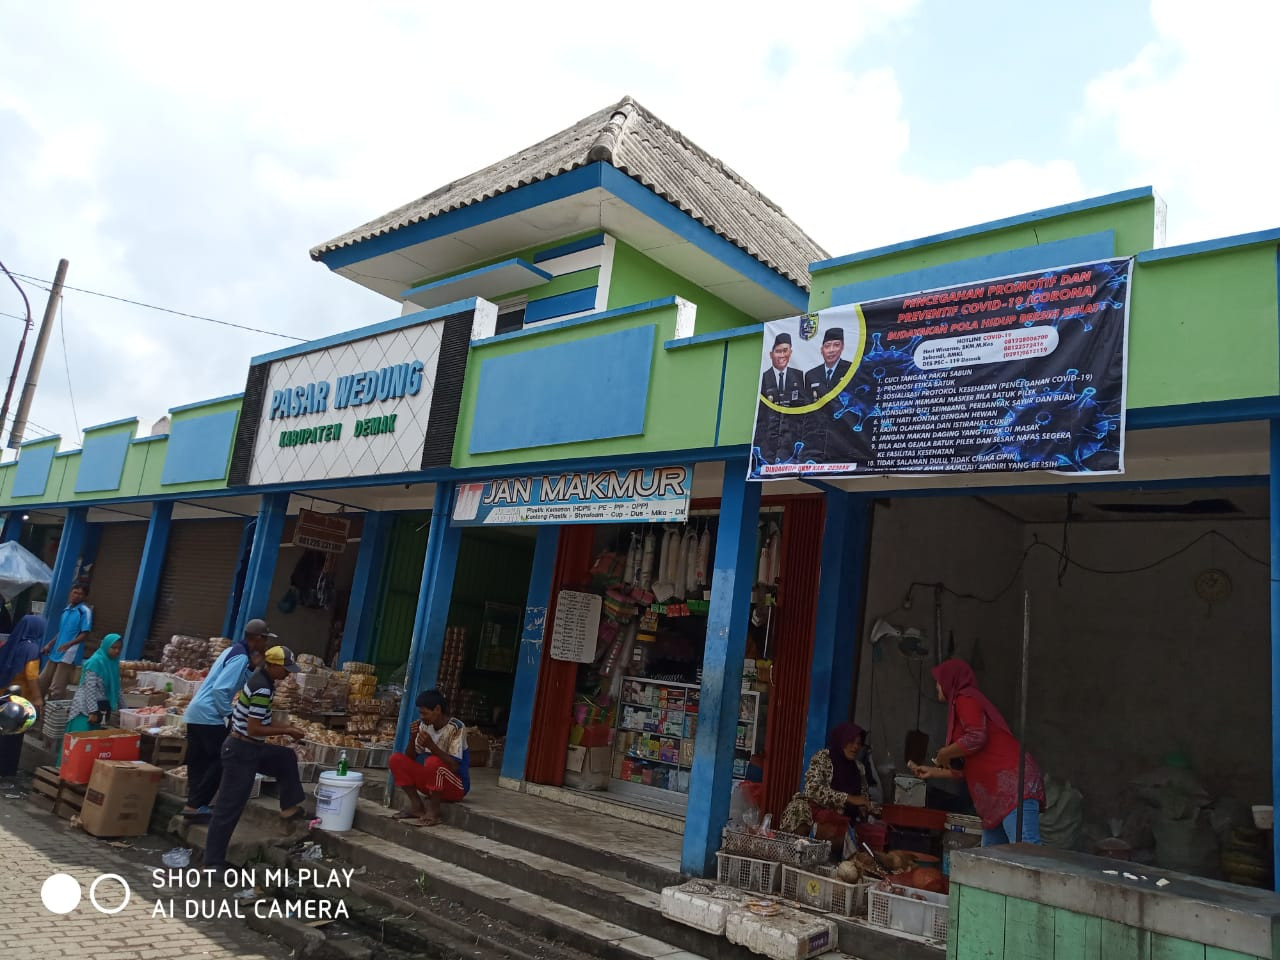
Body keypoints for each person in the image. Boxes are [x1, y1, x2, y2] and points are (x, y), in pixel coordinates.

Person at [909, 659, 1045, 846]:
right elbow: (973, 769)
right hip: (996, 793)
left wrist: (944, 754)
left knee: (1025, 853)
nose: (936, 686)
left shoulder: (965, 698)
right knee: (989, 860)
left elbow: (976, 736)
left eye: (939, 680)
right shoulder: (960, 705)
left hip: (1013, 785)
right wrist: (934, 772)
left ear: (951, 680)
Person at [203, 645, 309, 870]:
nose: (288, 673)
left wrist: (285, 727)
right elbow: (255, 729)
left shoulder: (262, 680)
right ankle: (213, 864)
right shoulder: (261, 688)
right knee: (228, 809)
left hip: (248, 748)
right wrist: (287, 730)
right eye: (285, 669)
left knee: (285, 757)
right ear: (272, 666)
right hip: (242, 750)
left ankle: (289, 805)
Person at [181, 618, 276, 819]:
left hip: (197, 712)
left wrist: (252, 668)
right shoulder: (240, 657)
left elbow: (236, 682)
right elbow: (220, 690)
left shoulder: (234, 652)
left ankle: (193, 805)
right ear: (258, 638)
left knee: (199, 761)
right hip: (209, 714)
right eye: (265, 639)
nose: (266, 644)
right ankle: (197, 803)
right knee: (221, 759)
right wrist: (230, 715)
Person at [780, 723, 880, 838]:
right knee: (799, 809)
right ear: (841, 740)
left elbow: (862, 798)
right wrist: (848, 798)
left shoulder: (859, 768)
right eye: (851, 742)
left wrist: (867, 808)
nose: (855, 747)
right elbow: (812, 790)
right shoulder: (823, 758)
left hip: (842, 823)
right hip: (815, 818)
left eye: (859, 743)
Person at [387, 688, 469, 826]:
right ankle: (416, 806)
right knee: (396, 759)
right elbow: (410, 758)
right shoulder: (425, 726)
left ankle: (434, 810)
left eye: (424, 713)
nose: (422, 717)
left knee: (433, 761)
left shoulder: (457, 727)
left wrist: (432, 746)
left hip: (456, 786)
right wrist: (413, 738)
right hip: (431, 784)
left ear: (437, 709)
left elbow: (455, 765)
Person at [59, 633, 122, 765]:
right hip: (84, 709)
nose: (116, 651)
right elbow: (89, 688)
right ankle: (65, 770)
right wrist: (93, 712)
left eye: (119, 648)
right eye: (113, 648)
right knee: (77, 743)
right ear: (105, 647)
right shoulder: (95, 662)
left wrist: (126, 710)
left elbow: (117, 689)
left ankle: (79, 773)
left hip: (100, 709)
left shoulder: (113, 664)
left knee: (89, 747)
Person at [0, 614, 45, 780]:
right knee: (13, 737)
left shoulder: (11, 643)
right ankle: (6, 772)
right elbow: (31, 676)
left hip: (3, 694)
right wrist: (38, 698)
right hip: (19, 699)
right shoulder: (31, 648)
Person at [40, 582, 93, 701]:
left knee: (56, 688)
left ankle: (52, 715)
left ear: (85, 597)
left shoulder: (84, 611)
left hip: (68, 654)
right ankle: (36, 710)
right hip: (56, 651)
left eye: (81, 594)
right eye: (75, 592)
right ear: (70, 593)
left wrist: (69, 644)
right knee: (41, 681)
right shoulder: (66, 610)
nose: (77, 596)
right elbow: (62, 631)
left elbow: (85, 633)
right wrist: (50, 644)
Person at [804, 328, 853, 402]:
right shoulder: (811, 374)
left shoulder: (852, 369)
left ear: (842, 347)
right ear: (821, 350)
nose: (831, 350)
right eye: (827, 346)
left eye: (836, 345)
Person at [759, 332, 804, 405]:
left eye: (785, 351)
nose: (782, 355)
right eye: (778, 351)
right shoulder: (764, 377)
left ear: (790, 353)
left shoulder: (799, 375)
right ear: (771, 355)